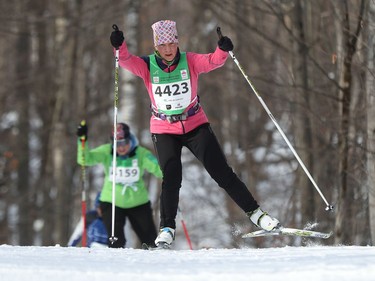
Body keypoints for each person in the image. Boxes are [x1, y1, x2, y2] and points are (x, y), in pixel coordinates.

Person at [110, 20, 280, 248]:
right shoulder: (148, 65)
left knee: (222, 173)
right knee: (171, 177)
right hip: (164, 129)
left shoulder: (189, 61)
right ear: (156, 46)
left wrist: (222, 50)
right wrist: (119, 47)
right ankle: (167, 228)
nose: (169, 49)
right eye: (163, 45)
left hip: (195, 125)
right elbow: (126, 61)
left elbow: (212, 61)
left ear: (177, 42)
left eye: (172, 43)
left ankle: (257, 214)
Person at [76, 122, 162, 248]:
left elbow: (157, 168)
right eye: (117, 144)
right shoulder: (107, 152)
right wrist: (82, 140)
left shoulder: (140, 154)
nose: (121, 148)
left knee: (150, 241)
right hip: (111, 201)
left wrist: (168, 174)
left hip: (138, 202)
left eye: (124, 143)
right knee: (116, 242)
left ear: (130, 139)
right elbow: (85, 159)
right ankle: (116, 265)